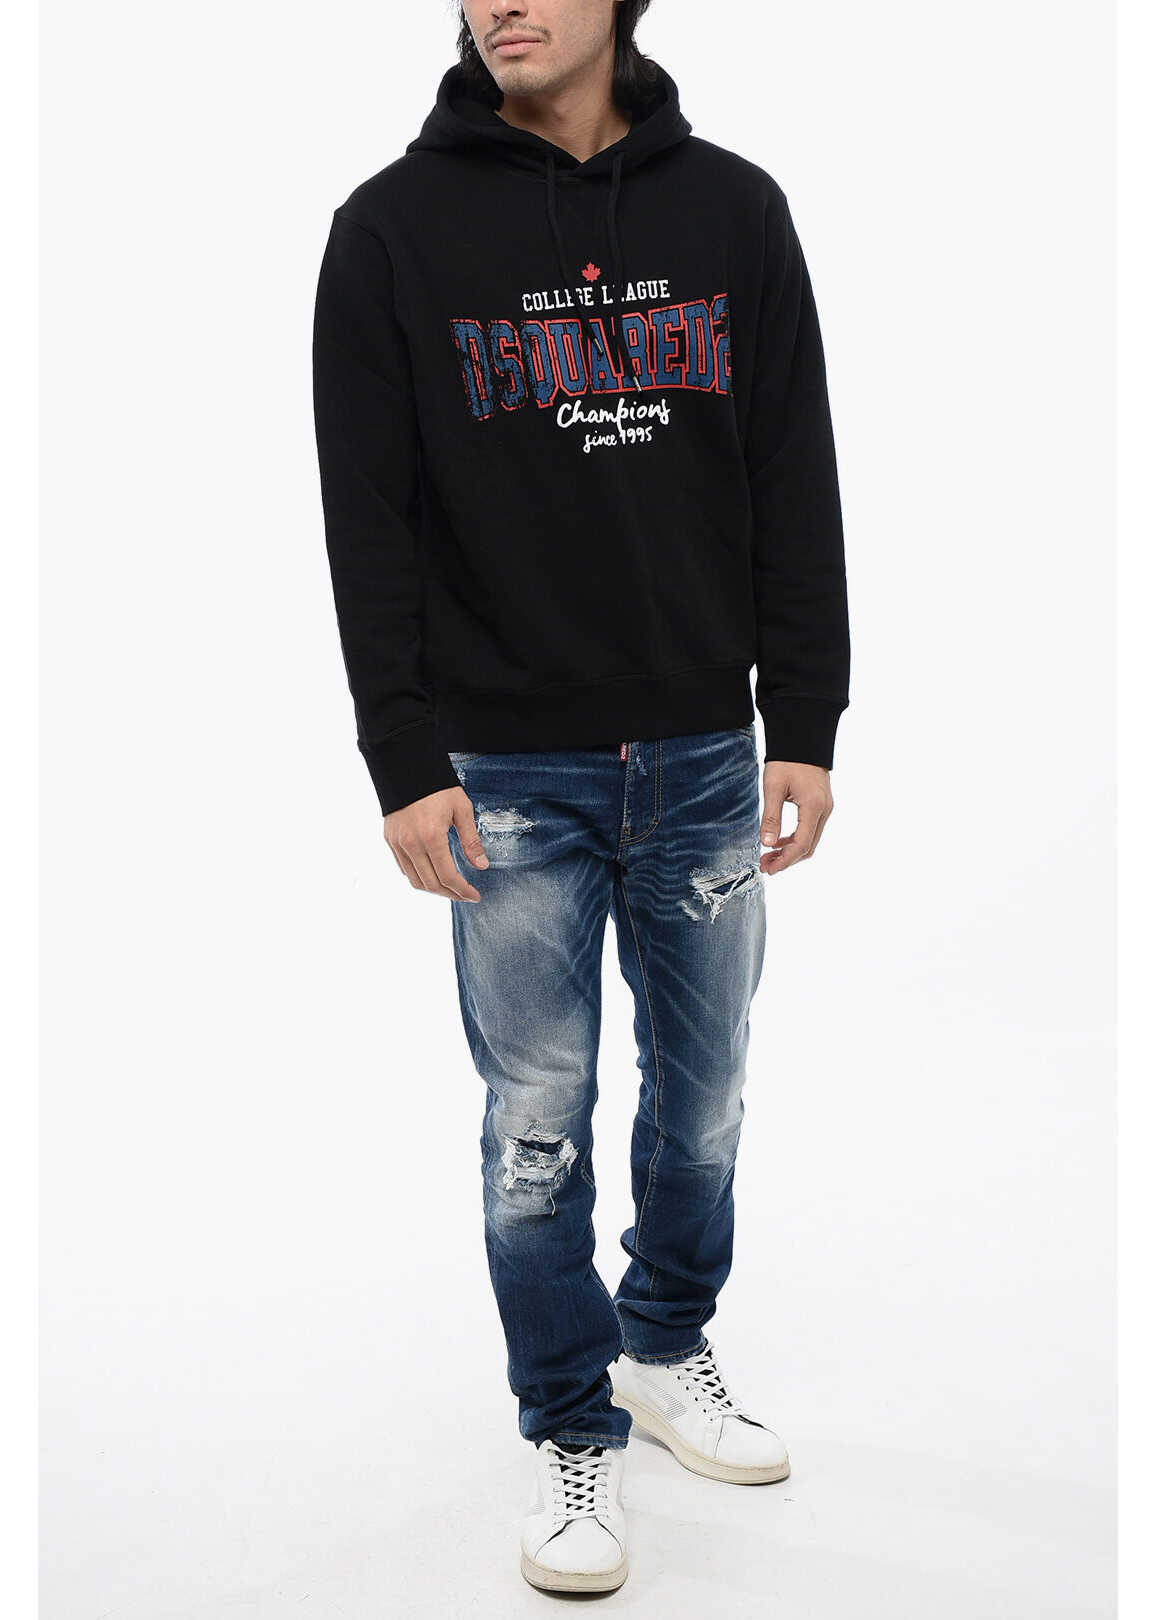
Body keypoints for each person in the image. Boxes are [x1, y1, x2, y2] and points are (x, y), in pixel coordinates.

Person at [312, 0, 849, 1594]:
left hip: (700, 752)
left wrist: (803, 715)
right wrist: (402, 756)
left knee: (705, 1096)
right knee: (535, 1121)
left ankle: (662, 1342)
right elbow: (366, 513)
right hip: (507, 768)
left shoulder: (730, 207)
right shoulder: (391, 228)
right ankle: (568, 1421)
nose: (502, 3)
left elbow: (792, 464)